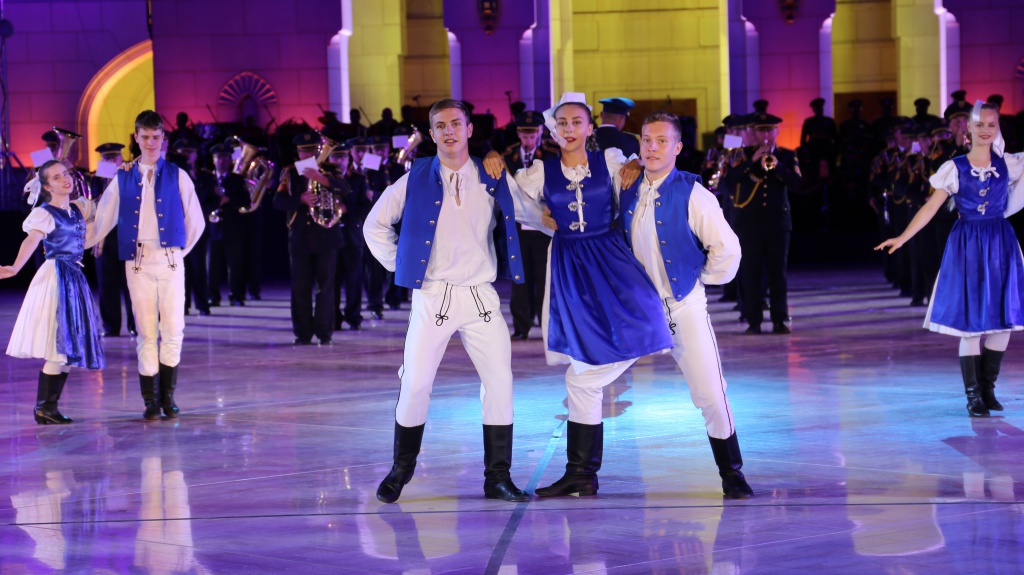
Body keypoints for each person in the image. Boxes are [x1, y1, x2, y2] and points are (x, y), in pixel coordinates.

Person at [484, 93, 672, 498]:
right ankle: (582, 473)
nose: (569, 129)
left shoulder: (610, 162)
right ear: (554, 130)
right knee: (582, 359)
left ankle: (582, 471)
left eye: (576, 122)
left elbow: (642, 186)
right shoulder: (541, 171)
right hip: (570, 264)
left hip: (611, 257)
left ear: (590, 127)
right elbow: (515, 202)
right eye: (562, 123)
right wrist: (496, 162)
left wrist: (637, 163)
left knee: (642, 321)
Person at [364, 98, 529, 504]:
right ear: (432, 134)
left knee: (499, 383)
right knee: (415, 382)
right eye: (440, 125)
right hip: (434, 295)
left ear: (469, 130)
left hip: (480, 295)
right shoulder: (414, 177)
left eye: (456, 123)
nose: (449, 131)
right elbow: (374, 225)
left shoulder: (492, 174)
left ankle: (498, 478)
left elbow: (529, 211)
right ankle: (400, 470)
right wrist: (403, 266)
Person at [620, 111, 754, 499]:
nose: (652, 147)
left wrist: (697, 279)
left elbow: (728, 250)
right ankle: (581, 471)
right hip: (637, 309)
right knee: (587, 377)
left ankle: (731, 472)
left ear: (677, 147)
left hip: (682, 305)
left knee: (710, 391)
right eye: (646, 140)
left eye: (662, 141)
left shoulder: (695, 194)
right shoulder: (625, 185)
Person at [876, 102, 1024, 418]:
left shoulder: (1009, 164)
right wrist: (902, 237)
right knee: (971, 323)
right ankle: (973, 395)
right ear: (968, 128)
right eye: (979, 124)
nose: (985, 130)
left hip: (1001, 243)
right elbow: (930, 207)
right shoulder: (954, 168)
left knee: (1003, 322)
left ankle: (988, 388)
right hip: (968, 244)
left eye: (992, 124)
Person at [93, 110, 206, 420]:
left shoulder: (178, 175)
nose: (151, 143)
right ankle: (150, 400)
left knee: (173, 328)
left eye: (156, 137)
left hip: (170, 260)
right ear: (136, 138)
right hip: (138, 262)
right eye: (145, 137)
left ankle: (168, 397)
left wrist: (178, 253)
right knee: (145, 330)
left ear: (163, 139)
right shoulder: (123, 177)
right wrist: (70, 240)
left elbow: (196, 222)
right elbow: (102, 219)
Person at [2, 160, 105, 424]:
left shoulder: (77, 209)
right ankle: (44, 407)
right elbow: (31, 240)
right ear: (47, 187)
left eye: (66, 174)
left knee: (70, 347)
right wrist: (15, 267)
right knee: (60, 344)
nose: (65, 179)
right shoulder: (45, 213)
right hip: (57, 276)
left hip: (75, 276)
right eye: (57, 177)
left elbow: (101, 214)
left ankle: (48, 407)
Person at [722, 112, 801, 334]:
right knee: (751, 272)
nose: (765, 135)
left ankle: (779, 319)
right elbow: (728, 182)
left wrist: (778, 167)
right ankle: (753, 320)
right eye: (761, 131)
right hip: (748, 223)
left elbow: (797, 182)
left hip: (778, 222)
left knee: (778, 273)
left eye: (769, 130)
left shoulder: (787, 155)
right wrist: (752, 161)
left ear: (777, 131)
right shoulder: (739, 155)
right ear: (754, 133)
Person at [273, 132, 347, 345]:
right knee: (300, 288)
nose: (307, 155)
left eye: (312, 150)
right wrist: (300, 199)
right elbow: (277, 202)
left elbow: (346, 189)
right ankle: (302, 333)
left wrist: (322, 179)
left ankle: (325, 332)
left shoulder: (331, 169)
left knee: (326, 287)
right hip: (300, 237)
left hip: (327, 236)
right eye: (303, 151)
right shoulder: (290, 172)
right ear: (298, 153)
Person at [502, 110, 553, 340]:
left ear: (540, 133)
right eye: (524, 135)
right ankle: (521, 326)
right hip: (517, 227)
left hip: (544, 225)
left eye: (532, 135)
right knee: (520, 277)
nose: (528, 140)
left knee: (544, 277)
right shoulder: (507, 157)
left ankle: (545, 324)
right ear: (518, 133)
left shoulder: (551, 155)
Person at [90, 142, 137, 336]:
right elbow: (89, 205)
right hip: (105, 239)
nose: (110, 162)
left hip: (128, 236)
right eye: (106, 159)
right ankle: (110, 326)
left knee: (132, 285)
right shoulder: (94, 179)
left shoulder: (131, 175)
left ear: (121, 158)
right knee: (106, 284)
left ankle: (136, 326)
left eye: (114, 158)